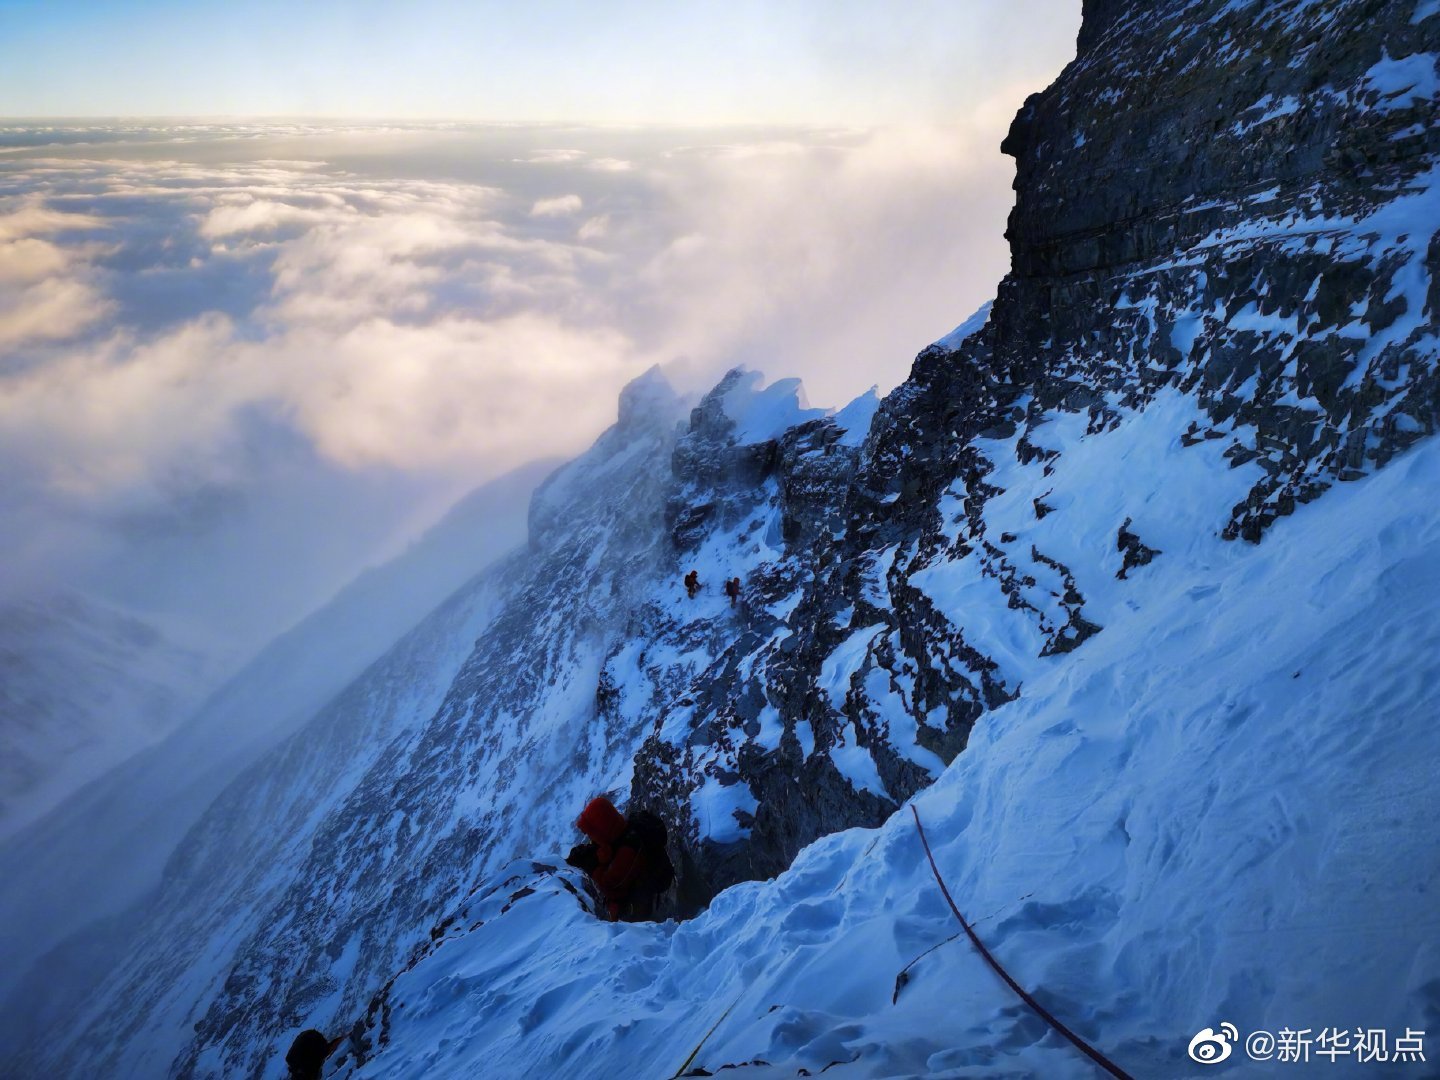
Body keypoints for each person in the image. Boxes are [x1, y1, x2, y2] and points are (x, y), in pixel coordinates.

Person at [566, 796, 674, 921]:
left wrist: (591, 866)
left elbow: (610, 885)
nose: (591, 837)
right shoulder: (616, 834)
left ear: (602, 829)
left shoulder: (628, 849)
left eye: (592, 832)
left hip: (637, 910)